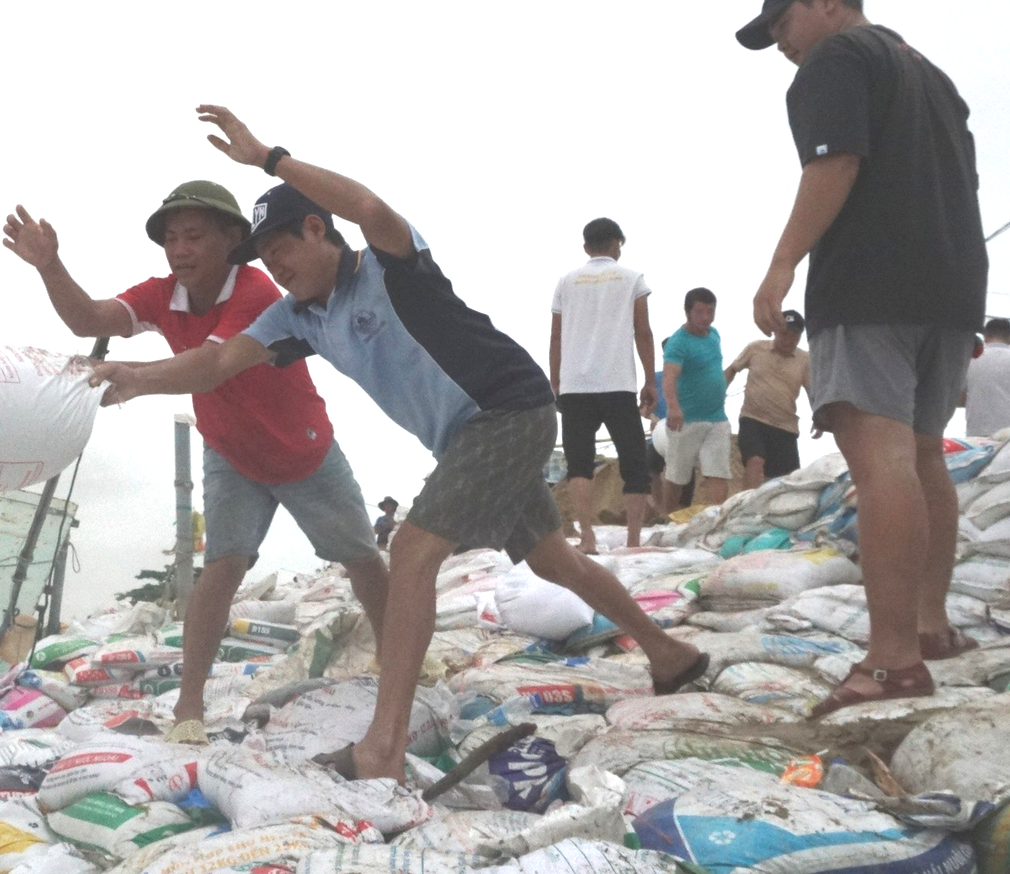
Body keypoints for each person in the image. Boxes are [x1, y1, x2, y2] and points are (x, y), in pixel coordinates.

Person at [91, 106, 708, 781]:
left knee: (411, 550)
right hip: (467, 439)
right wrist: (135, 379)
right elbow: (215, 364)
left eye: (281, 251)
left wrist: (270, 159)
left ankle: (382, 748)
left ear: (317, 229)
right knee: (553, 558)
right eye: (264, 261)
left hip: (508, 408)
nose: (276, 269)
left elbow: (365, 205)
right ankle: (668, 653)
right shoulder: (295, 318)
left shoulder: (391, 264)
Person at [1, 181, 389, 744]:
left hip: (301, 448)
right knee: (221, 569)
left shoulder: (256, 290)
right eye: (171, 239)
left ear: (232, 239)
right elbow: (90, 319)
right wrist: (49, 265)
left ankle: (401, 655)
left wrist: (135, 378)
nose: (179, 250)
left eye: (194, 237)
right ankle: (189, 707)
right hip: (230, 451)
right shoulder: (164, 295)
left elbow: (211, 366)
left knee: (361, 558)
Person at [740, 0, 990, 717]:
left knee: (882, 465)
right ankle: (930, 626)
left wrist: (781, 264)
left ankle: (891, 661)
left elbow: (835, 162)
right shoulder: (933, 77)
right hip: (950, 287)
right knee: (922, 456)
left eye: (784, 22)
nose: (782, 44)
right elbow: (966, 185)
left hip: (871, 284)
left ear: (827, 0)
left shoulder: (836, 59)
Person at [550, 217, 658, 550]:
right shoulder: (632, 279)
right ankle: (633, 539)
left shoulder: (566, 282)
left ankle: (588, 536)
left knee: (579, 464)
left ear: (586, 248)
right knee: (634, 463)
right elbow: (643, 332)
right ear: (617, 244)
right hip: (617, 382)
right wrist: (649, 380)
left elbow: (556, 337)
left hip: (575, 385)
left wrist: (555, 381)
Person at [661, 288, 732, 510]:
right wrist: (673, 407)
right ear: (687, 311)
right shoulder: (678, 342)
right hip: (687, 419)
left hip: (717, 417)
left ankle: (718, 517)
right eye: (700, 312)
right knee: (677, 476)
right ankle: (668, 517)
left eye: (710, 312)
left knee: (718, 471)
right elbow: (669, 377)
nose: (706, 318)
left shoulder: (714, 335)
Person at [725, 309, 813, 487]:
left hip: (785, 426)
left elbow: (813, 390)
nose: (788, 339)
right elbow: (732, 369)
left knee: (784, 481)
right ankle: (747, 503)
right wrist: (717, 393)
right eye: (784, 333)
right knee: (755, 461)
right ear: (774, 331)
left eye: (794, 335)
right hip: (753, 419)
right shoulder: (756, 348)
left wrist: (819, 416)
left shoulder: (805, 360)